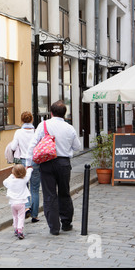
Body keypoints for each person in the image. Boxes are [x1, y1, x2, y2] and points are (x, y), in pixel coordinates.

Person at [26, 101, 81, 236]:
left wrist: (29, 163)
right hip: (63, 163)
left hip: (47, 163)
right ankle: (66, 223)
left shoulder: (43, 125)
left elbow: (32, 145)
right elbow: (78, 147)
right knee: (64, 193)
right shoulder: (69, 128)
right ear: (64, 114)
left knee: (49, 195)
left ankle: (54, 227)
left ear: (51, 113)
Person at [10, 111, 41, 223]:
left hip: (23, 162)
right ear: (32, 119)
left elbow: (13, 146)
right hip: (35, 162)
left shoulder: (18, 132)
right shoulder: (36, 132)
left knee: (24, 186)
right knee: (35, 189)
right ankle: (35, 216)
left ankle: (27, 206)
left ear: (22, 120)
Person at [3, 164, 33, 240]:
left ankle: (15, 229)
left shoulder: (10, 182)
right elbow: (28, 175)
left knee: (15, 216)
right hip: (21, 203)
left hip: (13, 203)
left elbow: (4, 182)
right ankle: (20, 230)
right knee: (21, 217)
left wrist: (12, 175)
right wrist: (29, 169)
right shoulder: (24, 180)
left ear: (13, 173)